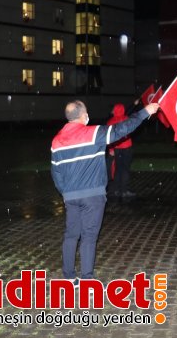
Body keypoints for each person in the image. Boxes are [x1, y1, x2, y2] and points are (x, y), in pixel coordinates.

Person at [51, 100, 159, 283]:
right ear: (82, 115)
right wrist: (144, 112)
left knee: (71, 234)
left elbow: (56, 173)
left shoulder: (57, 140)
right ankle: (87, 279)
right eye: (86, 112)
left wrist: (66, 192)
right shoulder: (93, 133)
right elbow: (121, 129)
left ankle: (69, 276)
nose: (88, 115)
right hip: (92, 195)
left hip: (70, 196)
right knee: (89, 236)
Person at [106, 99, 141, 200]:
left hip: (116, 149)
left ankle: (116, 190)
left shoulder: (110, 122)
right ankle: (124, 191)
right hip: (126, 148)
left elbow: (108, 137)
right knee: (125, 169)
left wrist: (111, 149)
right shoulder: (126, 119)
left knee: (117, 169)